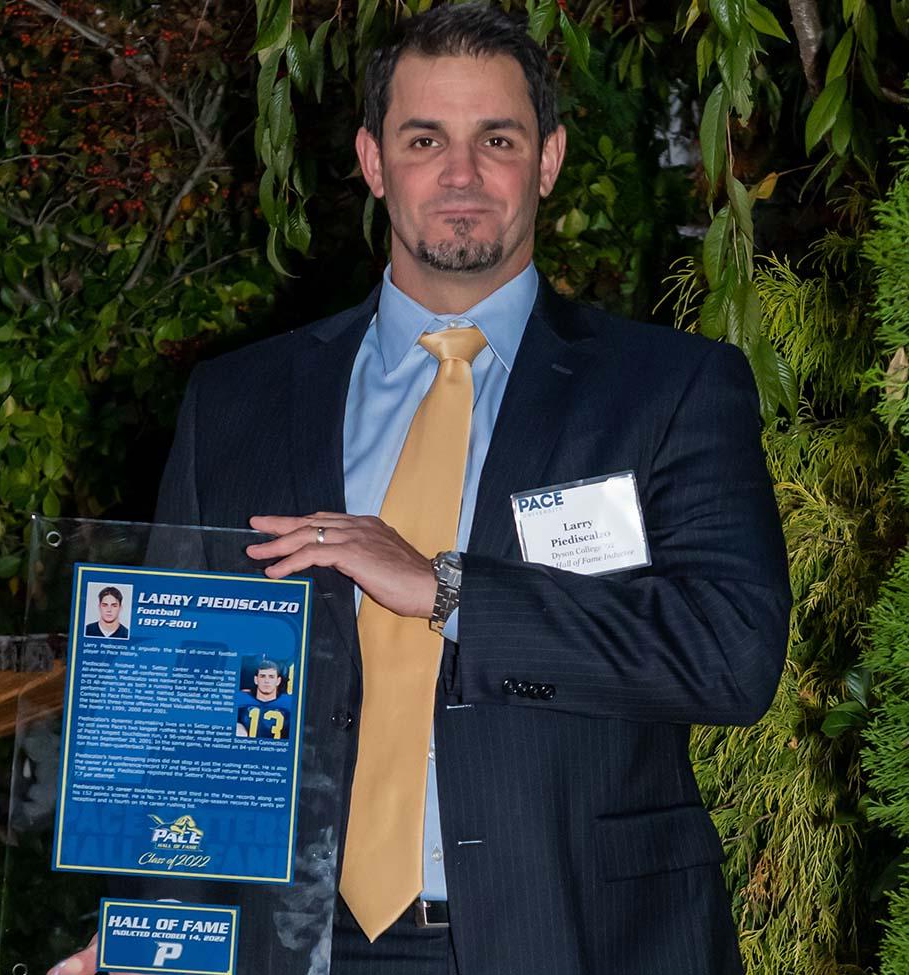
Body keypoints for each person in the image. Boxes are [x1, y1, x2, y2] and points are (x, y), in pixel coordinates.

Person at [48, 5, 790, 975]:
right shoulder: (238, 401)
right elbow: (181, 705)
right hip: (298, 945)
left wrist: (449, 590)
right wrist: (149, 922)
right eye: (424, 138)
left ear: (549, 159)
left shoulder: (668, 389)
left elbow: (731, 656)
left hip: (572, 936)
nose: (462, 174)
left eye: (498, 139)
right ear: (371, 159)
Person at [235, 659, 293, 740]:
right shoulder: (241, 699)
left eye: (271, 677)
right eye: (262, 676)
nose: (266, 681)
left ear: (278, 681)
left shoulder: (289, 704)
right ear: (256, 680)